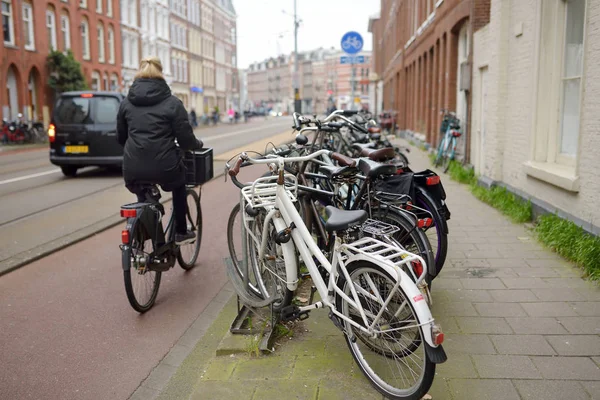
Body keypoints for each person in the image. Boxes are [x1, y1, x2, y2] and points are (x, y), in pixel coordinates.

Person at [117, 57, 202, 245]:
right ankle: (181, 232)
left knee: (143, 195)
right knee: (179, 185)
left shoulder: (126, 103)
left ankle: (151, 240)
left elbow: (121, 138)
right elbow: (186, 139)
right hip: (166, 166)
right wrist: (196, 144)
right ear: (161, 75)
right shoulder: (172, 103)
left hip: (133, 167)